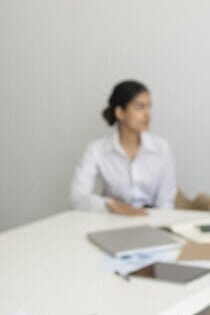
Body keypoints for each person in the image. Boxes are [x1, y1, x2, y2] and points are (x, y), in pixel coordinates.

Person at [70, 80, 177, 215]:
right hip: (112, 220)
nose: (147, 114)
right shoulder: (96, 150)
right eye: (140, 107)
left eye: (149, 107)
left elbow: (166, 202)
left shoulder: (162, 148)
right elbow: (77, 197)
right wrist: (111, 205)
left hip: (151, 220)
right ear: (120, 113)